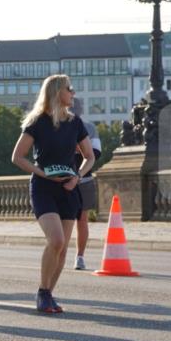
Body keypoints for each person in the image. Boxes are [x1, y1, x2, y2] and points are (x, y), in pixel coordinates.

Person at [11, 74, 94, 313]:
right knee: (56, 240)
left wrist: (77, 177)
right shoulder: (37, 122)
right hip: (44, 188)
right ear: (58, 92)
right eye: (69, 89)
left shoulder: (75, 122)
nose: (73, 93)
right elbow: (17, 157)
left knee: (63, 247)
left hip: (69, 189)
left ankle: (47, 294)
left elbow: (89, 157)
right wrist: (43, 174)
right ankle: (42, 291)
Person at [71, 97, 102, 270]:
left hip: (84, 179)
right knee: (64, 219)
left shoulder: (89, 127)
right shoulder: (57, 126)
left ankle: (80, 256)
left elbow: (96, 153)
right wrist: (82, 147)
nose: (75, 110)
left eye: (77, 108)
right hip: (62, 179)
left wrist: (78, 148)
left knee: (82, 219)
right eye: (72, 107)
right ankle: (59, 252)